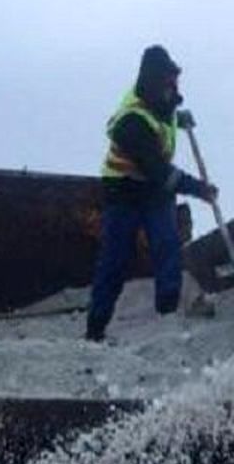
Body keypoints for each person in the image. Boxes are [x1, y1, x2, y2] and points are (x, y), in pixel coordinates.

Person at [86, 45, 217, 342]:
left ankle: (167, 315)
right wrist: (199, 189)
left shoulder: (160, 98)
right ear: (153, 81)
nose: (173, 88)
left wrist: (178, 115)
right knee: (115, 259)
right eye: (168, 83)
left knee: (167, 245)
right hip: (124, 188)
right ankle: (95, 329)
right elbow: (159, 172)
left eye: (175, 82)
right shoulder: (131, 122)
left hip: (153, 189)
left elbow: (163, 114)